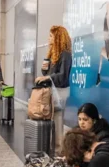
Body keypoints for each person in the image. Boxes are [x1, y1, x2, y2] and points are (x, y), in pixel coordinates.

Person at [36, 25, 72, 156]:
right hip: (52, 91)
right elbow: (44, 71)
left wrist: (46, 77)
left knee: (58, 123)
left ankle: (59, 152)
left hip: (60, 92)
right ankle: (54, 151)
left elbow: (62, 77)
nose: (48, 38)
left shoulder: (65, 55)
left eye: (51, 36)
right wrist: (46, 58)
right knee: (53, 123)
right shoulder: (53, 53)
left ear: (57, 38)